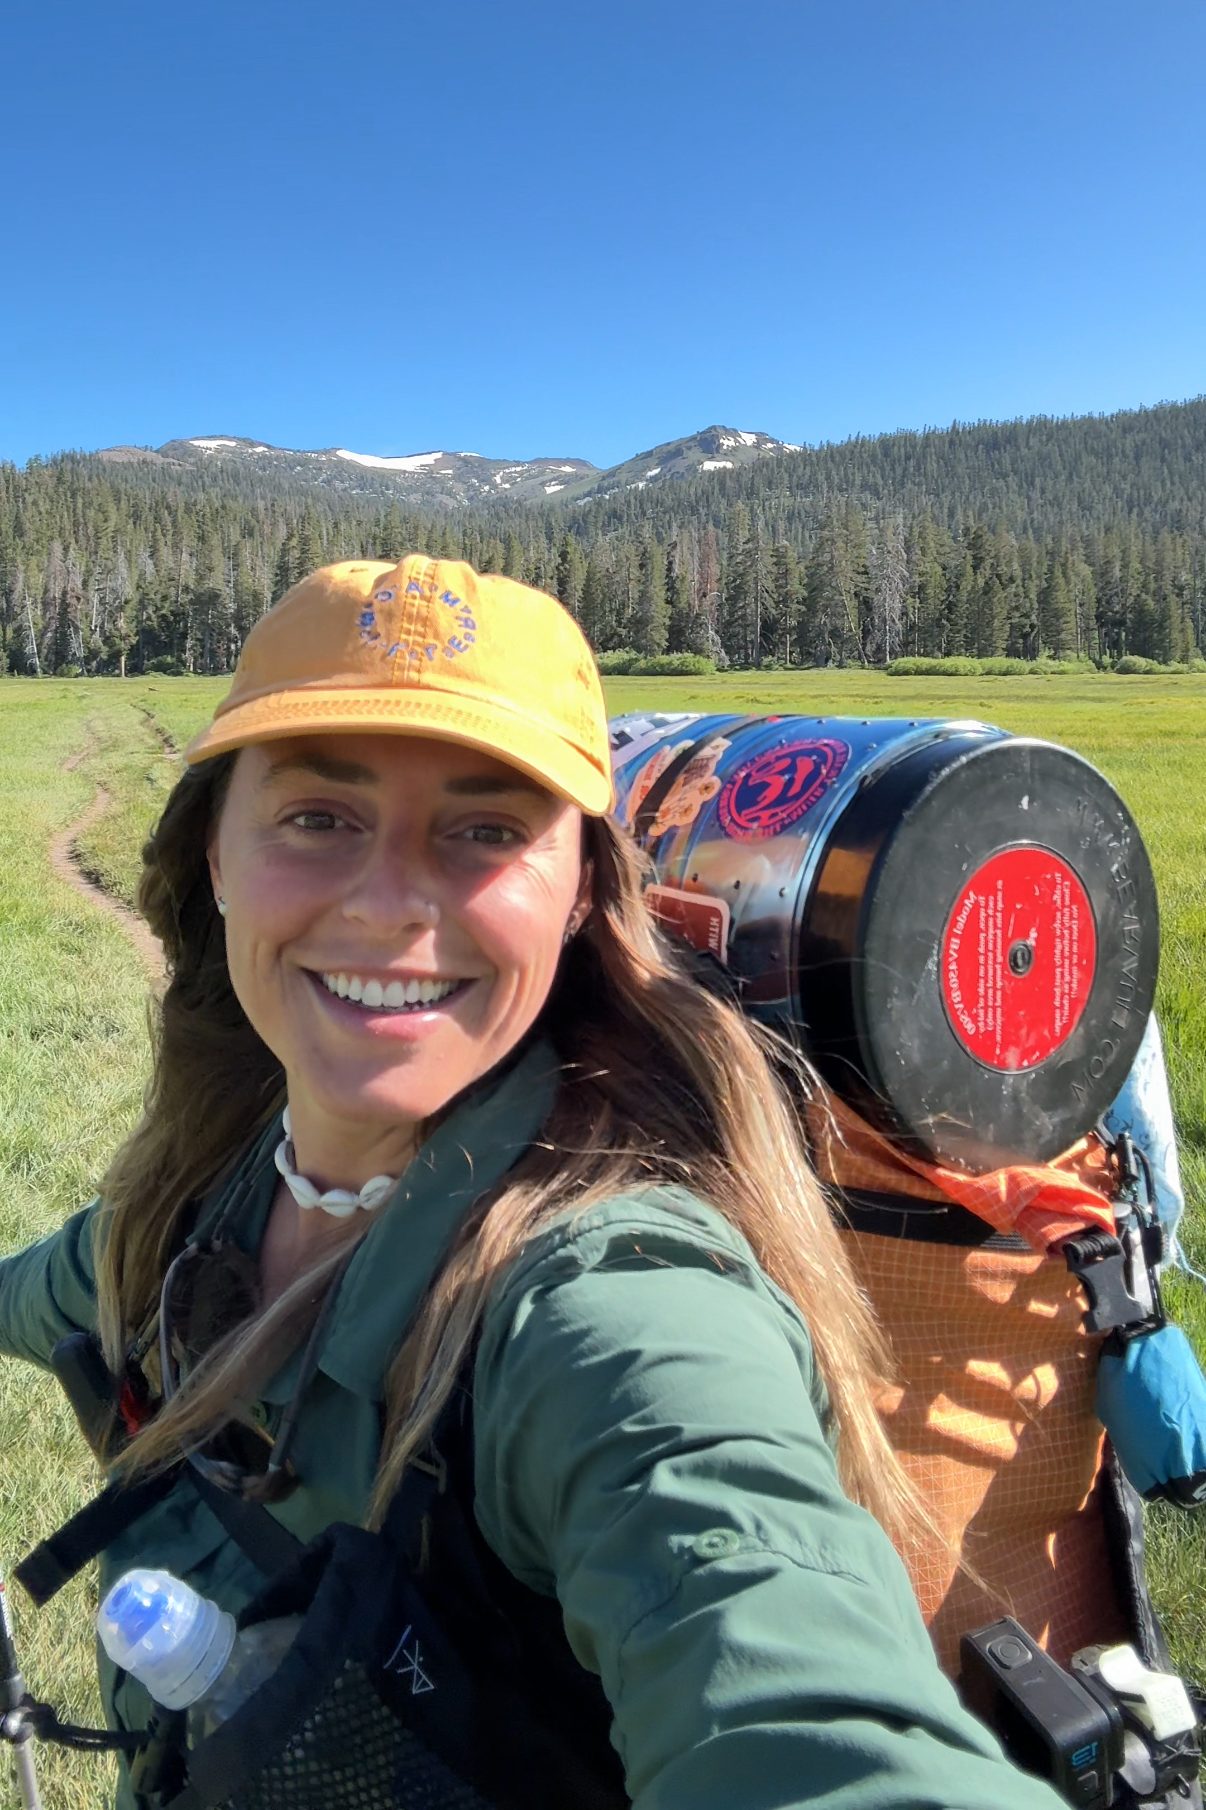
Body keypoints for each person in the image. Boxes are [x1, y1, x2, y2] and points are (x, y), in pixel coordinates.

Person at [0, 554, 1066, 1809]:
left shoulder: (612, 1302)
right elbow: (44, 1287)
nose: (391, 905)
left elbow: (792, 1693)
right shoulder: (200, 1203)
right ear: (217, 855)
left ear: (578, 895)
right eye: (319, 816)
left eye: (487, 830)